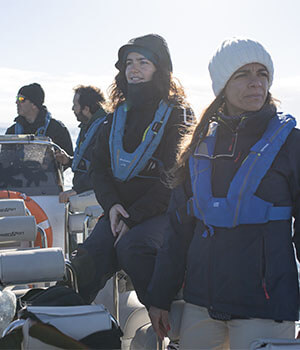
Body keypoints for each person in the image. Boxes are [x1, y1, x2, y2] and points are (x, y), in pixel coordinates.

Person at [147, 37, 300, 349]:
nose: (256, 83)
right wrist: (159, 297)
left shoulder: (292, 145)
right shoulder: (198, 149)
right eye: (243, 74)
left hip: (267, 308)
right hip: (201, 304)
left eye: (262, 73)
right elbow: (177, 231)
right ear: (223, 85)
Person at [70, 34, 194, 305]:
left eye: (143, 62)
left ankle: (169, 322)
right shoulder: (115, 118)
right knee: (88, 260)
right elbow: (99, 169)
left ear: (159, 68)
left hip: (162, 213)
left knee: (133, 248)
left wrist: (133, 217)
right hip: (119, 212)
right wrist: (113, 206)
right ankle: (59, 326)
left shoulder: (178, 115)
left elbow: (176, 176)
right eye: (129, 63)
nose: (134, 69)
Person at [56, 85, 107, 203]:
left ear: (86, 109)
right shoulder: (88, 127)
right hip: (87, 189)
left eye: (75, 105)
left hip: (96, 193)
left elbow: (101, 167)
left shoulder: (104, 129)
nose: (72, 109)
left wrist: (76, 190)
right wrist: (68, 160)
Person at [6, 83, 73, 157]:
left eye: (21, 99)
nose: (17, 102)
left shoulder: (57, 130)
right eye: (17, 98)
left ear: (34, 104)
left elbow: (68, 162)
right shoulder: (12, 131)